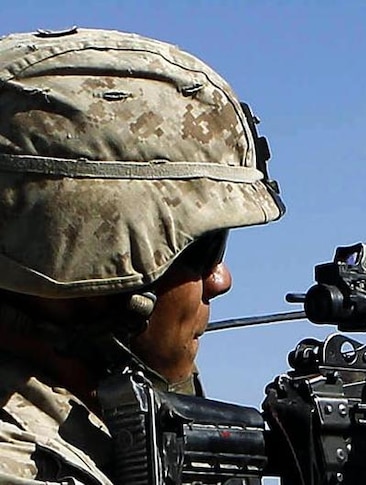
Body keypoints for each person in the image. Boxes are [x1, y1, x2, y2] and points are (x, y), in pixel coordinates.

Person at [0, 27, 284, 483]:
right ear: (94, 260)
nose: (220, 280)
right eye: (204, 249)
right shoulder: (23, 466)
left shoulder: (75, 440)